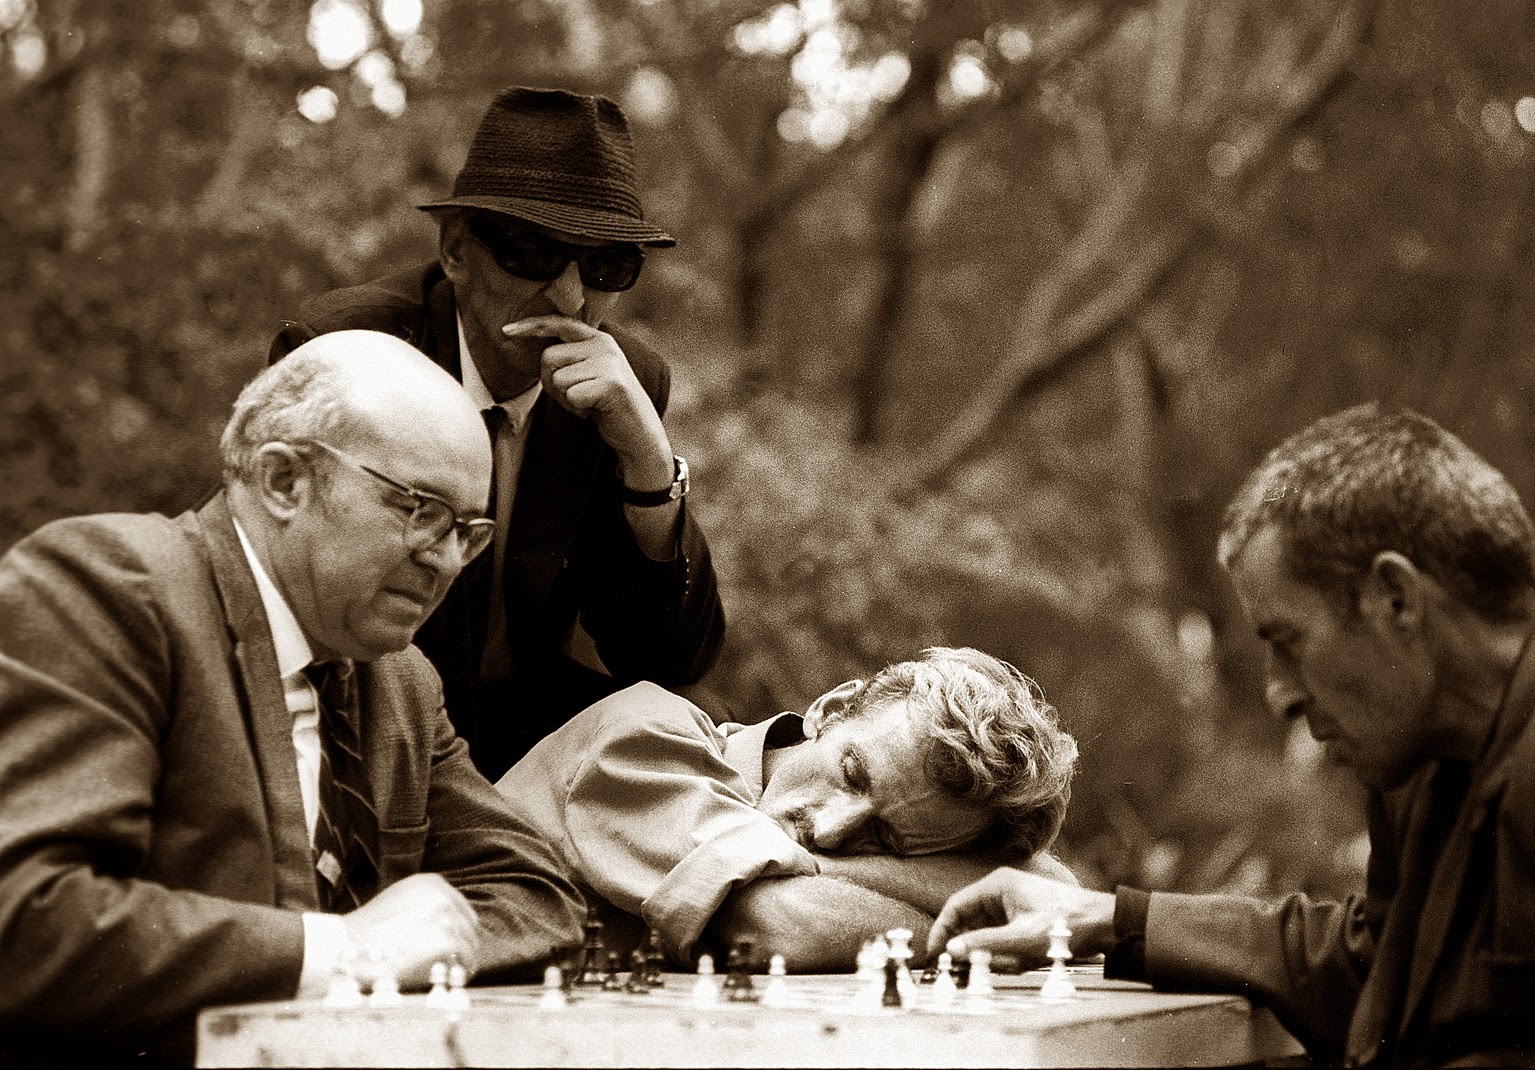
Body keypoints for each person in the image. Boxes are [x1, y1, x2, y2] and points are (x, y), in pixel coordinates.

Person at [927, 404, 1535, 1068]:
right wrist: (1110, 920)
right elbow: (1379, 969)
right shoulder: (1432, 749)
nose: (1279, 693)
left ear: (1396, 597)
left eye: (1288, 641)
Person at [0, 331, 586, 1064]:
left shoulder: (399, 680)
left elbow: (536, 897)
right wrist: (342, 951)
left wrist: (407, 947)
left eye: (467, 532)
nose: (445, 561)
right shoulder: (110, 590)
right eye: (421, 510)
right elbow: (22, 918)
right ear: (283, 481)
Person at [269, 86, 726, 781]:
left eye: (607, 267)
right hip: (357, 719)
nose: (572, 299)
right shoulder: (345, 353)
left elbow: (668, 659)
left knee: (686, 745)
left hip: (524, 731)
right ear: (456, 251)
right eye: (534, 252)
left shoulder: (624, 384)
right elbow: (278, 599)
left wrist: (648, 464)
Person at [496, 646, 1081, 972]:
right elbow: (776, 926)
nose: (827, 831)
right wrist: (971, 928)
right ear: (831, 707)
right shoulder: (644, 737)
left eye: (885, 840)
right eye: (851, 775)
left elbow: (1056, 885)